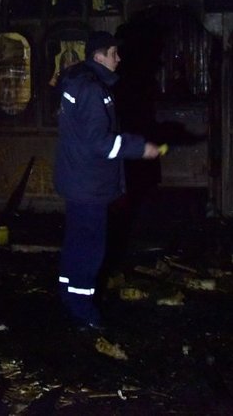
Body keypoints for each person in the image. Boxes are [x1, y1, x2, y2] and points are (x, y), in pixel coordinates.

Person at [54, 30, 161, 329]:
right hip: (89, 184)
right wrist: (140, 148)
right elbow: (100, 143)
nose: (119, 59)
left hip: (78, 179)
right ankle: (83, 314)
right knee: (89, 251)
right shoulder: (92, 89)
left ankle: (70, 298)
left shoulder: (77, 81)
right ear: (99, 56)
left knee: (77, 245)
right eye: (114, 53)